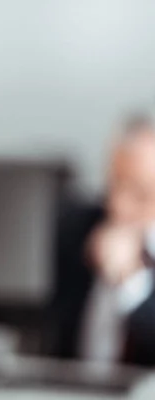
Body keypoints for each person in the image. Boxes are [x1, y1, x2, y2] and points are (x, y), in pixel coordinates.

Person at [45, 114, 155, 367]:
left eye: (141, 193)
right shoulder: (77, 228)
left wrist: (131, 280)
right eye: (114, 184)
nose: (118, 205)